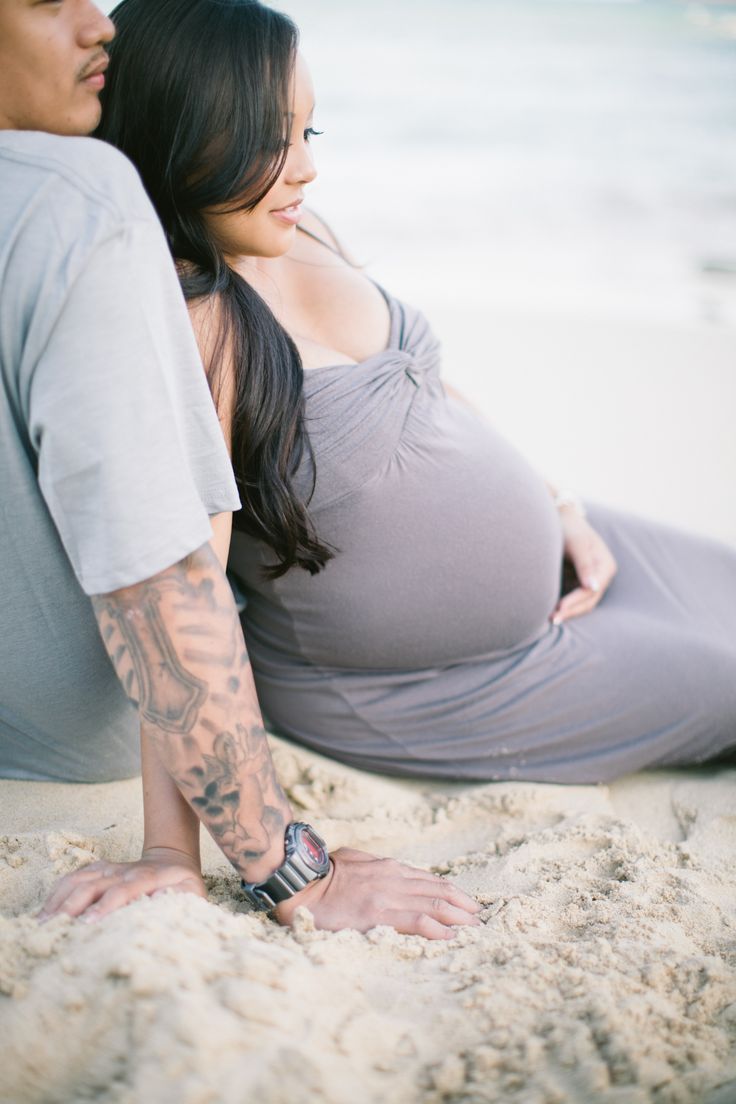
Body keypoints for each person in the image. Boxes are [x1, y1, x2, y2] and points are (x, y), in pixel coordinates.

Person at [89, 0, 736, 809]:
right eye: (268, 138)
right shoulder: (197, 331)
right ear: (178, 133)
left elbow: (425, 391)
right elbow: (186, 609)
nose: (305, 168)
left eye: (308, 133)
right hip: (432, 687)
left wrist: (556, 500)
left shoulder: (298, 228)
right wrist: (174, 853)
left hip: (556, 558)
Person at [1, 0, 481, 941]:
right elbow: (160, 564)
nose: (97, 22)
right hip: (89, 727)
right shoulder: (73, 195)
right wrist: (283, 870)